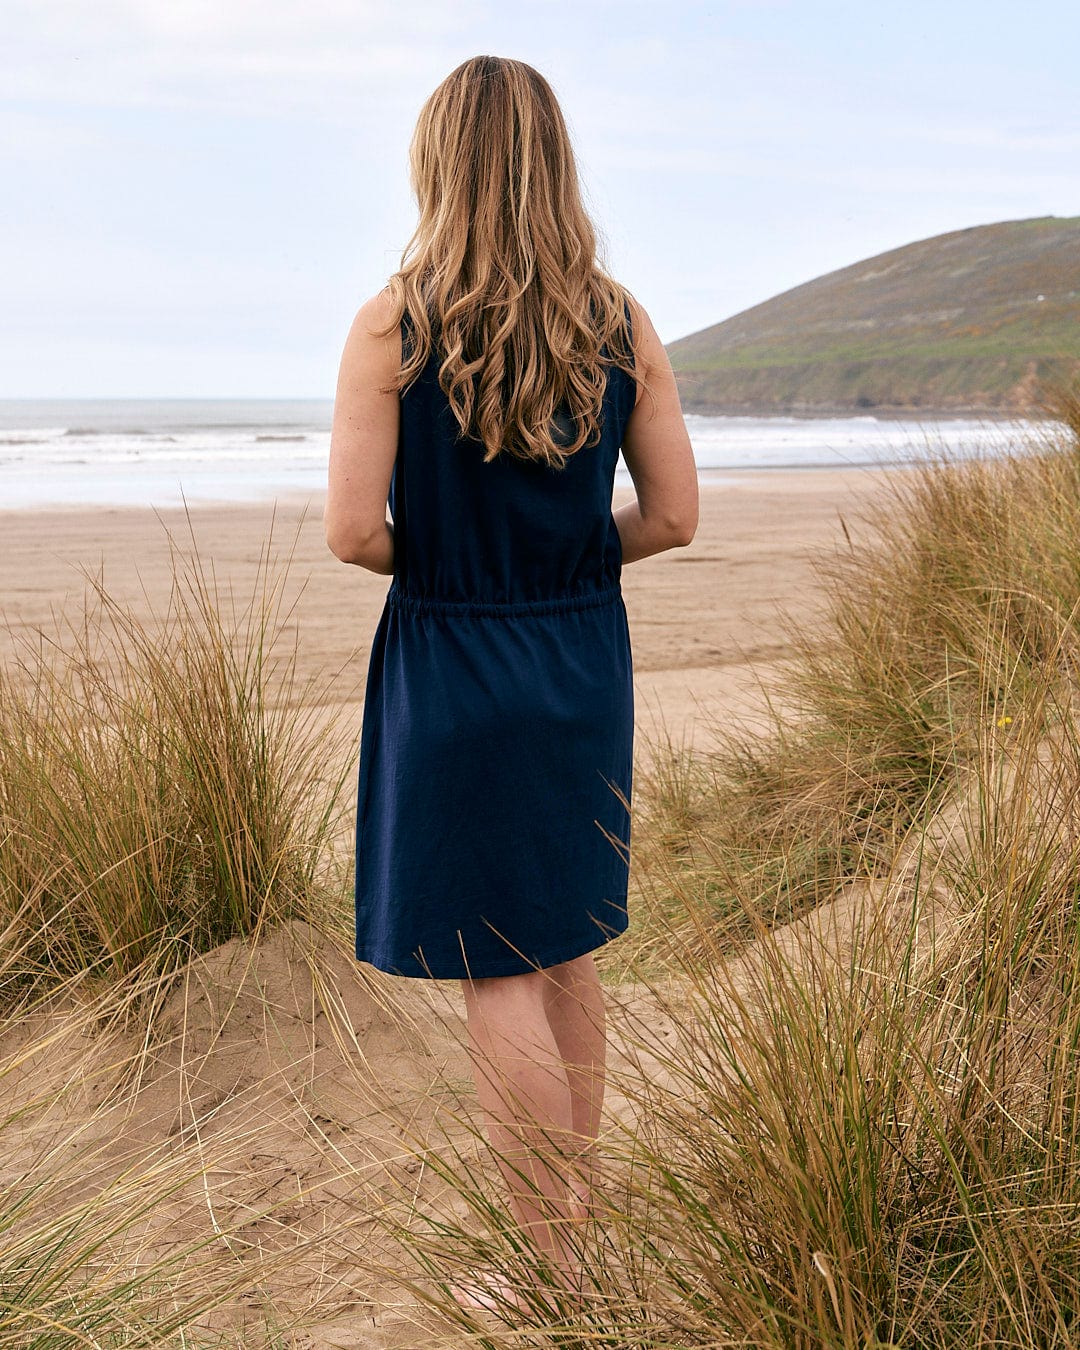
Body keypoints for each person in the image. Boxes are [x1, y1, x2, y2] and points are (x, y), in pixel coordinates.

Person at [325, 54, 698, 1316]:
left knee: (499, 970)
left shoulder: (394, 324)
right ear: (555, 162)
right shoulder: (618, 319)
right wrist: (570, 557)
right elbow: (678, 516)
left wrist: (456, 561)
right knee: (568, 949)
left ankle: (547, 1273)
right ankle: (574, 1227)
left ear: (438, 163)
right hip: (581, 655)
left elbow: (351, 532)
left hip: (456, 654)